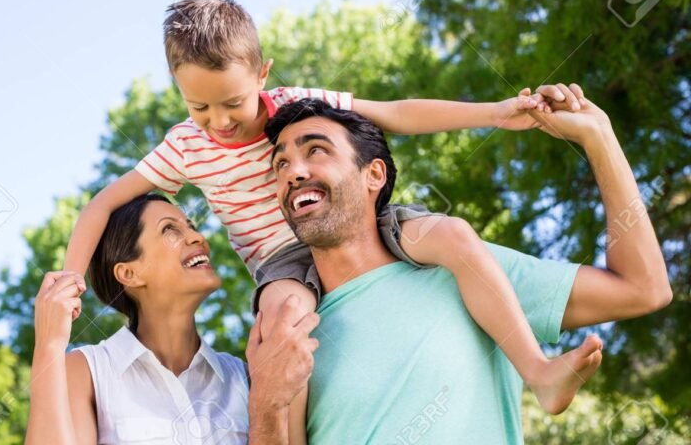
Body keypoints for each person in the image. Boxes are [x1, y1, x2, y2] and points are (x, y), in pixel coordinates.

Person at [62, 0, 585, 442]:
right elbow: (102, 204)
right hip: (280, 260)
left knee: (452, 234)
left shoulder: (297, 105)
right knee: (283, 318)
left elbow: (396, 112)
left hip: (353, 221)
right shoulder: (186, 146)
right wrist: (68, 281)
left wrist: (493, 113)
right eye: (199, 107)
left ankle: (537, 370)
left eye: (233, 103)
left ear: (262, 74)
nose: (219, 121)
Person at [263, 87, 672, 443]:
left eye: (316, 151)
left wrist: (599, 138)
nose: (293, 172)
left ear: (374, 175)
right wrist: (265, 404)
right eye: (280, 164)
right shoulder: (289, 327)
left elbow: (643, 289)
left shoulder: (469, 269)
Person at [25, 194, 319, 444]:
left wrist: (269, 407)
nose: (197, 237)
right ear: (129, 273)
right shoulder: (88, 371)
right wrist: (49, 346)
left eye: (191, 226)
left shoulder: (245, 377)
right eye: (170, 230)